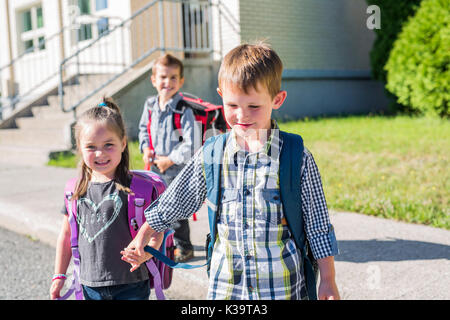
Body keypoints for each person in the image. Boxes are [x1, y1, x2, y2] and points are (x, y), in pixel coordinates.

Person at [123, 43, 340, 300]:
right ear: (220, 95)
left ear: (277, 99)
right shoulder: (213, 153)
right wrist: (145, 234)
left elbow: (317, 225)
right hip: (226, 287)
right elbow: (175, 201)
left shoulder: (295, 156)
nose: (241, 116)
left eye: (254, 107)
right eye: (232, 105)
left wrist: (327, 279)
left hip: (281, 287)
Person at [50, 98, 163, 300]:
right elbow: (66, 235)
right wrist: (59, 274)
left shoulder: (139, 189)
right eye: (91, 147)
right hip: (88, 285)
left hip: (132, 284)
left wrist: (146, 254)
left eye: (108, 144)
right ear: (80, 148)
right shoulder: (74, 190)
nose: (100, 153)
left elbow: (156, 233)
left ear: (123, 143)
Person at [137, 53, 197, 263]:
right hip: (154, 168)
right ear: (154, 80)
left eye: (173, 78)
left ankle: (185, 247)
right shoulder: (150, 105)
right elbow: (143, 129)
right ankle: (162, 241)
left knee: (176, 209)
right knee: (156, 206)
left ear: (181, 81)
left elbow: (191, 143)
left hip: (175, 170)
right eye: (163, 77)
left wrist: (170, 159)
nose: (167, 82)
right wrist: (145, 148)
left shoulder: (183, 109)